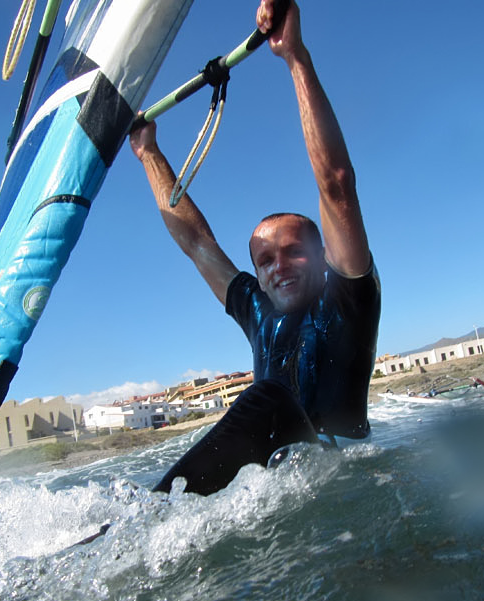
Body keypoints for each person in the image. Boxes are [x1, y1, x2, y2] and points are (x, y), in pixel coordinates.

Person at [129, 0, 380, 496]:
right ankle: (138, 525)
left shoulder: (349, 298)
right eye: (264, 261)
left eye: (293, 252)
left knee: (266, 396)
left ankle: (152, 515)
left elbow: (337, 186)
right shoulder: (258, 312)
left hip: (343, 476)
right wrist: (147, 153)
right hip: (278, 486)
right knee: (264, 403)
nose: (277, 267)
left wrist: (295, 57)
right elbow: (198, 243)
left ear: (323, 254)